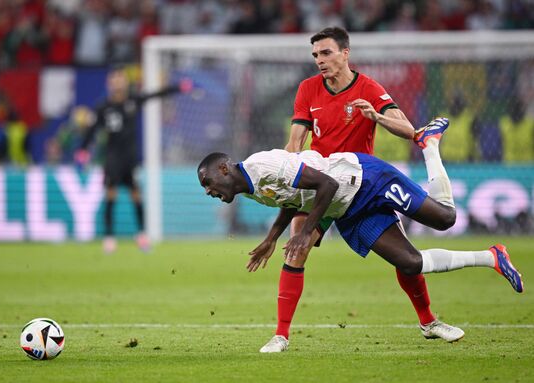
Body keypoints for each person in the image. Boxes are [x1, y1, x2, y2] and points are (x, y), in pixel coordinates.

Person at [197, 118, 524, 351]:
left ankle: (429, 145)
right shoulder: (250, 188)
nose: (209, 191)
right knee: (409, 263)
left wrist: (306, 230)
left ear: (224, 168)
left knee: (445, 218)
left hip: (366, 179)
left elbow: (327, 183)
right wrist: (272, 238)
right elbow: (293, 198)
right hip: (348, 210)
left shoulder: (263, 166)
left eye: (208, 182)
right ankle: (492, 257)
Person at [281, 26, 461, 351]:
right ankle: (280, 335)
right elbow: (295, 142)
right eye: (315, 55)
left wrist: (377, 117)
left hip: (361, 189)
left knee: (406, 260)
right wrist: (285, 170)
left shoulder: (369, 88)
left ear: (345, 53)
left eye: (326, 53)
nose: (319, 61)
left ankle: (428, 322)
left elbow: (409, 130)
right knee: (297, 248)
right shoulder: (308, 89)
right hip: (321, 185)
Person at [76, 67, 193, 253]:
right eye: (114, 79)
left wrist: (178, 88)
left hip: (130, 158)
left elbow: (156, 94)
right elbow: (93, 130)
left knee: (136, 196)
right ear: (109, 83)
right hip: (112, 158)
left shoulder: (133, 100)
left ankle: (142, 236)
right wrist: (83, 150)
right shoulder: (103, 107)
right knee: (110, 195)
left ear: (125, 82)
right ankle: (108, 238)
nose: (118, 82)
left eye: (120, 78)